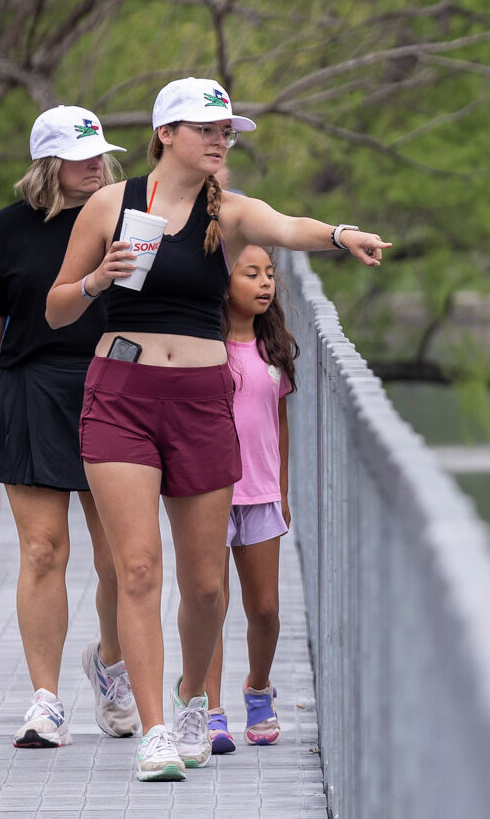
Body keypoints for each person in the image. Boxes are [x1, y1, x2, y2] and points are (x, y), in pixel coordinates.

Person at [44, 75, 389, 783]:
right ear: (166, 134)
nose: (220, 140)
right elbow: (54, 309)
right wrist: (97, 280)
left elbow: (286, 226)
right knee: (139, 568)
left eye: (226, 131)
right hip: (121, 394)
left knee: (206, 588)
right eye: (207, 128)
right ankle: (154, 733)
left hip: (203, 401)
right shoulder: (111, 204)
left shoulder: (225, 213)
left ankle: (192, 699)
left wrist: (340, 235)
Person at [0, 106, 138, 750]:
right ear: (48, 164)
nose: (96, 166)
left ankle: (111, 665)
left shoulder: (128, 220)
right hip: (30, 391)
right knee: (42, 550)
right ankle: (46, 702)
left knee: (119, 558)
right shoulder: (5, 230)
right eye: (81, 157)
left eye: (100, 155)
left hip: (112, 386)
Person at [198, 244, 296, 752]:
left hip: (260, 493)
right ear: (224, 281)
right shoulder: (203, 345)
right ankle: (211, 710)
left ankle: (258, 689)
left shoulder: (273, 349)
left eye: (270, 274)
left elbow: (279, 422)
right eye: (251, 273)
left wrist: (283, 489)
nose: (265, 284)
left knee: (265, 608)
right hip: (208, 492)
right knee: (210, 604)